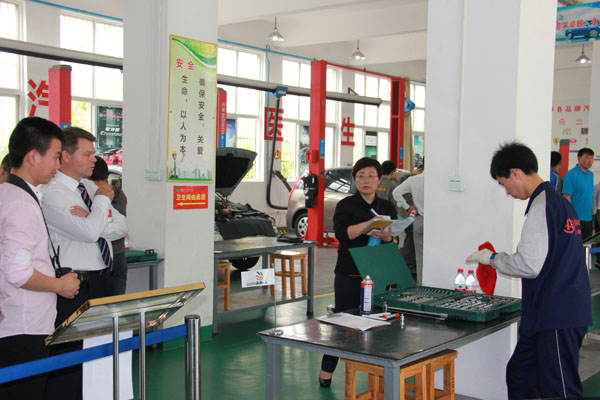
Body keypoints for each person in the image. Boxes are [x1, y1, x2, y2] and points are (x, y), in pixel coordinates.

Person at [466, 142, 592, 399]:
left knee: (559, 388)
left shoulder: (543, 206)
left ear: (515, 173)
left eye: (503, 183)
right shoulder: (559, 203)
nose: (507, 191)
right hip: (548, 312)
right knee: (521, 375)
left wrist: (492, 258)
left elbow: (529, 264)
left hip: (557, 313)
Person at [41, 127, 127, 400]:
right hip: (73, 285)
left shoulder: (91, 188)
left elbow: (121, 227)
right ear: (66, 156)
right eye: (87, 154)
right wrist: (100, 206)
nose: (94, 160)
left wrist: (93, 216)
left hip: (102, 279)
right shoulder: (52, 193)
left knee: (99, 354)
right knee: (70, 358)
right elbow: (89, 233)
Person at [0, 117, 79, 399]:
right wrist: (60, 286)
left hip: (14, 322)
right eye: (56, 156)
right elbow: (18, 272)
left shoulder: (8, 193)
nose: (58, 165)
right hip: (24, 327)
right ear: (33, 157)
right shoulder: (21, 204)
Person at [318, 157, 397, 388]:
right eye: (361, 176)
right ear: (355, 179)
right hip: (349, 272)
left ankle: (380, 372)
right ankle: (327, 370)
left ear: (379, 179)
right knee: (343, 322)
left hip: (378, 271)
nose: (366, 180)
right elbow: (342, 234)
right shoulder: (346, 205)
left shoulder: (387, 206)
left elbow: (393, 241)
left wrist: (387, 237)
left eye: (371, 176)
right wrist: (368, 225)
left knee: (379, 322)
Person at [90, 156, 128, 295]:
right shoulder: (120, 194)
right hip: (119, 254)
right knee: (117, 301)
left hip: (104, 256)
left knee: (101, 301)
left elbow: (94, 225)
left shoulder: (95, 195)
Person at [392, 158, 425, 285]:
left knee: (420, 256)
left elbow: (396, 193)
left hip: (420, 220)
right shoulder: (440, 181)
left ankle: (421, 284)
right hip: (436, 222)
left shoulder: (414, 180)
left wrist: (407, 207)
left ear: (422, 165)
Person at [562, 147, 594, 239]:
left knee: (587, 244)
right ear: (579, 158)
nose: (590, 161)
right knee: (575, 245)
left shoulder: (591, 175)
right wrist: (571, 217)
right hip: (575, 219)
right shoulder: (571, 174)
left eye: (591, 158)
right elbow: (566, 197)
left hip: (588, 218)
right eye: (587, 158)